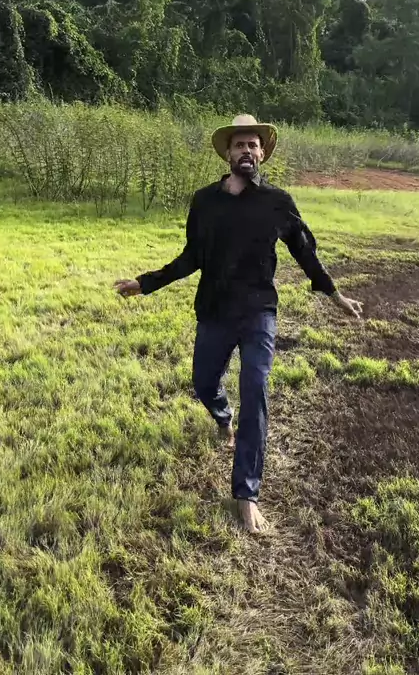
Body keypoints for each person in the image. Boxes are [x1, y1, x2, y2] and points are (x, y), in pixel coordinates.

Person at [114, 115, 363, 534]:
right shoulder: (204, 201)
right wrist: (146, 283)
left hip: (258, 312)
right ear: (227, 154)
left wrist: (334, 293)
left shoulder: (277, 202)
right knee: (203, 383)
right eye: (239, 145)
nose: (247, 151)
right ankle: (222, 417)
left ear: (262, 154)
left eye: (253, 145)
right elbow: (192, 257)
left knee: (256, 392)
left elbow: (305, 251)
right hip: (214, 309)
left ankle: (247, 494)